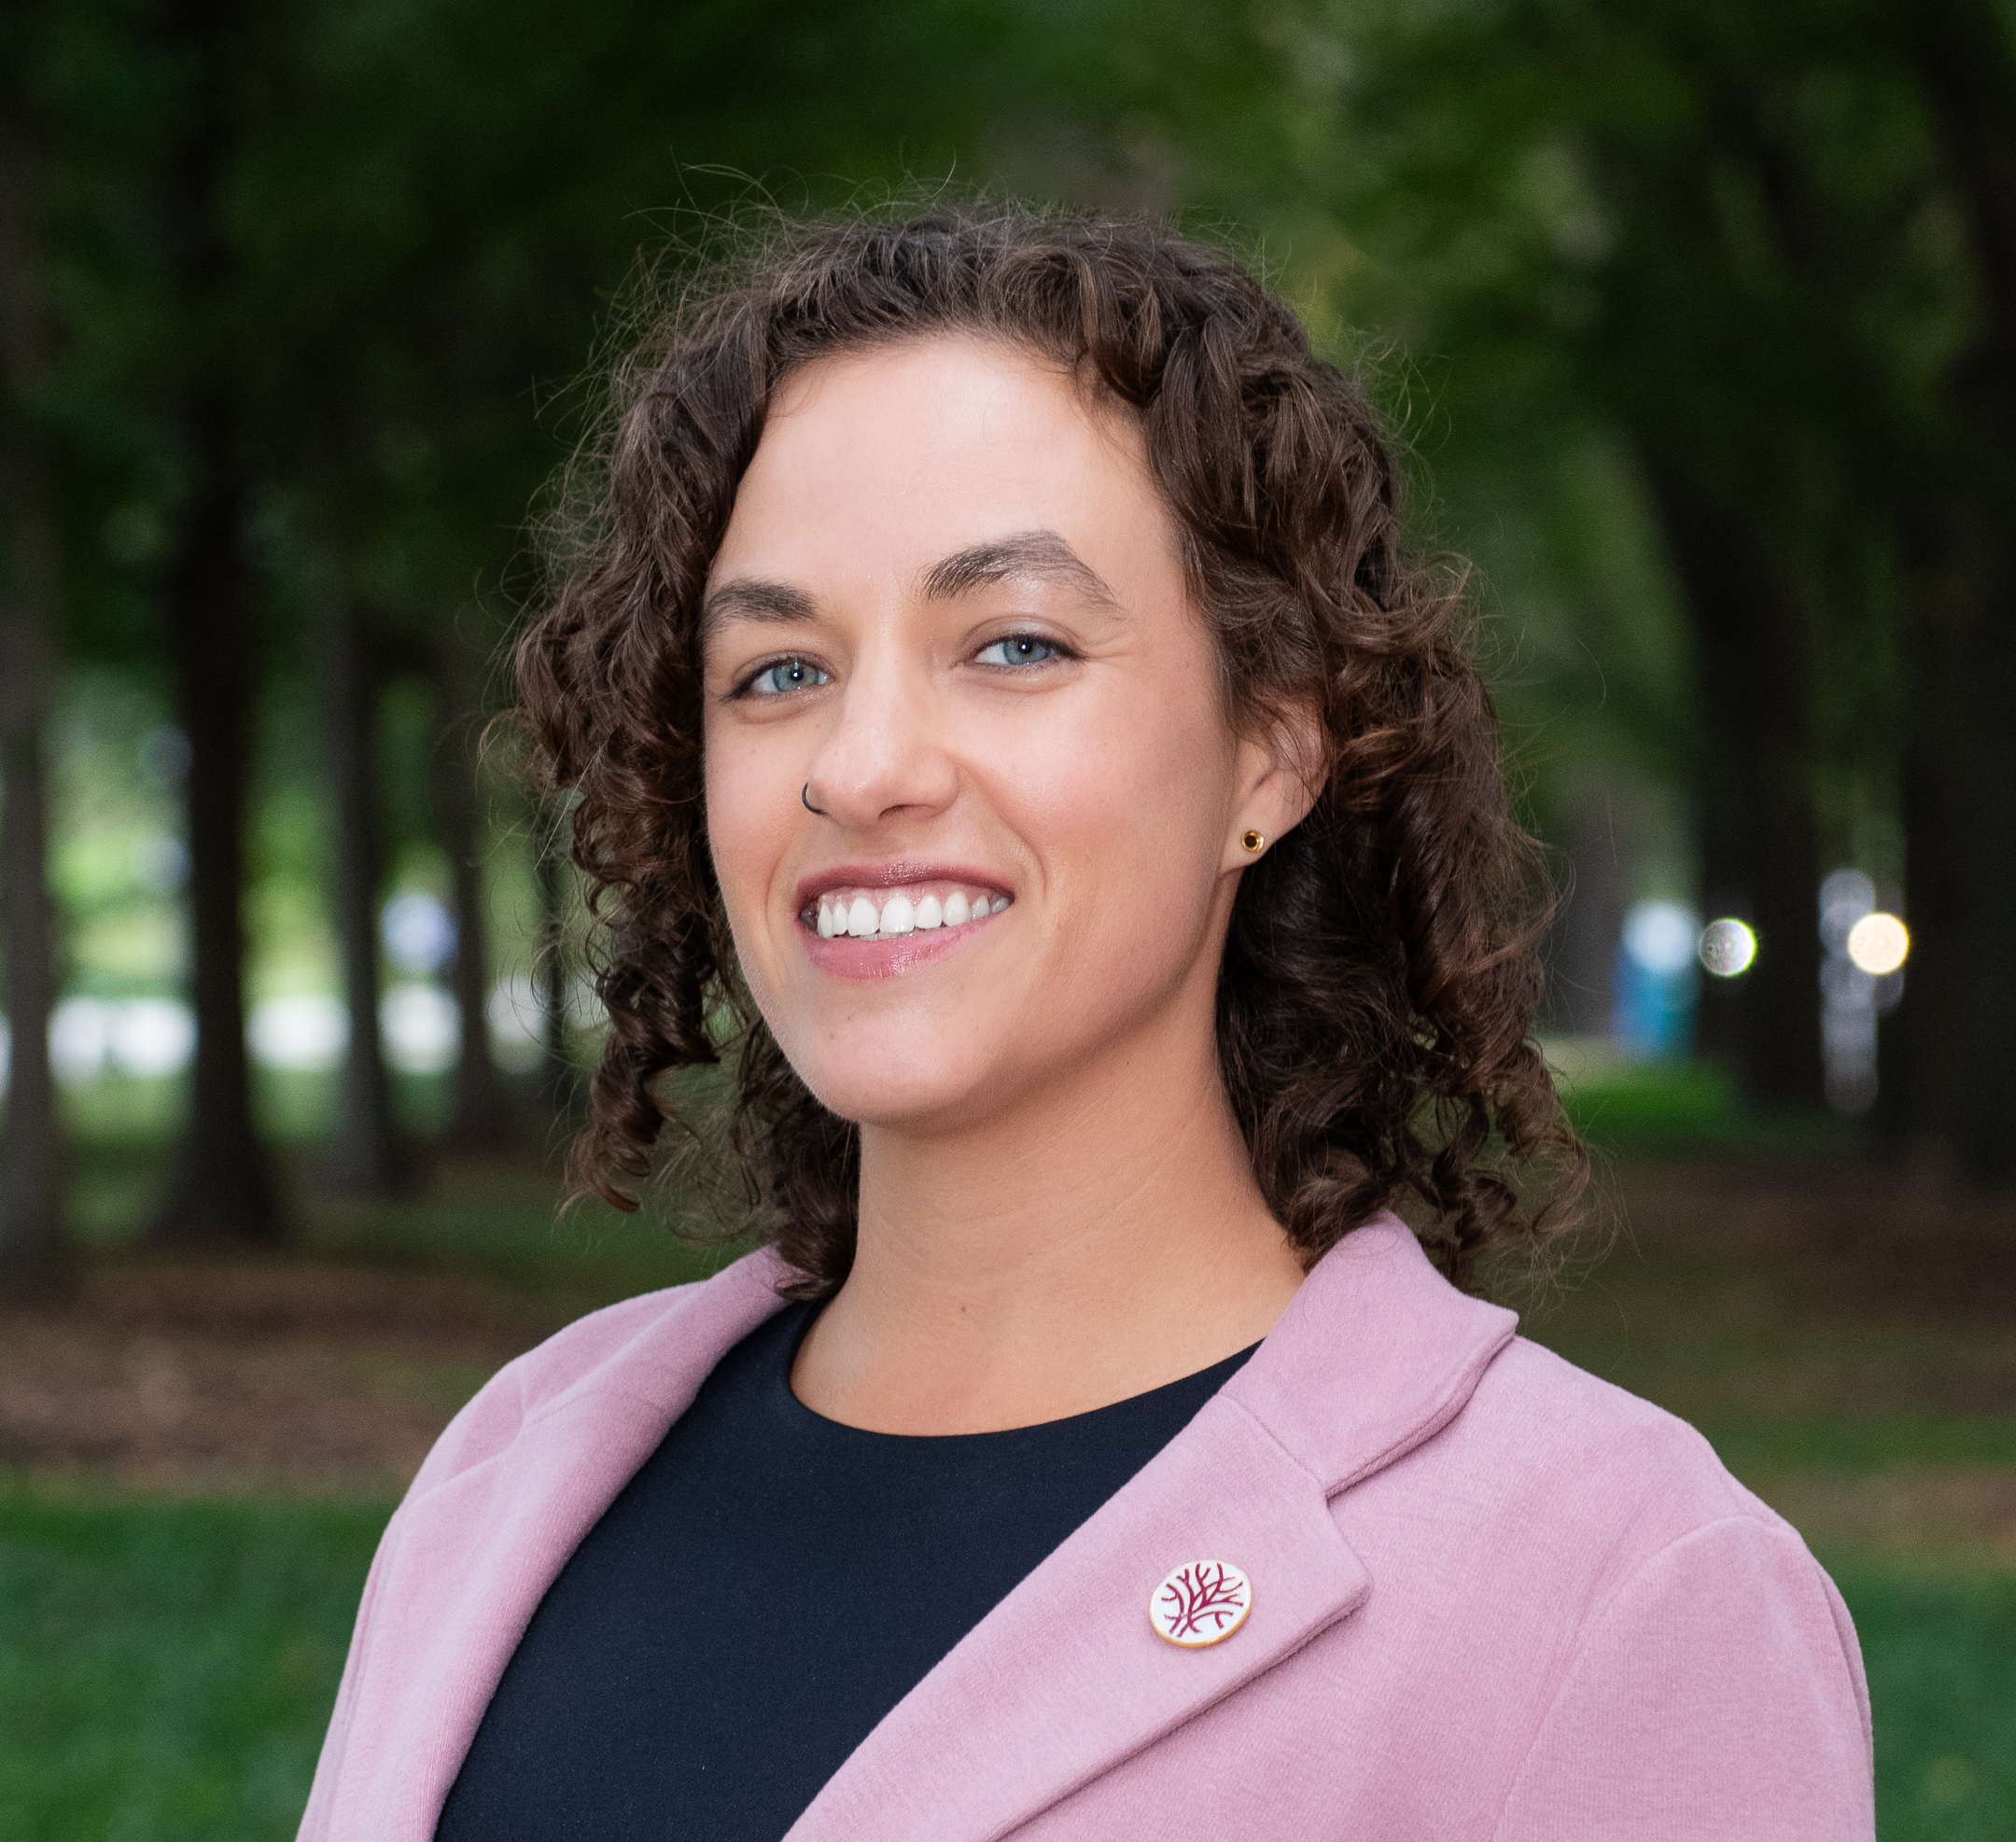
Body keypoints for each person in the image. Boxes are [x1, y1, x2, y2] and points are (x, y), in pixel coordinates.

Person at [298, 207, 1873, 1842]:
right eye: (776, 670)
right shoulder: (514, 1476)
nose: (862, 762)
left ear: (1268, 755)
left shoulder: (1622, 1590)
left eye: (1014, 645)